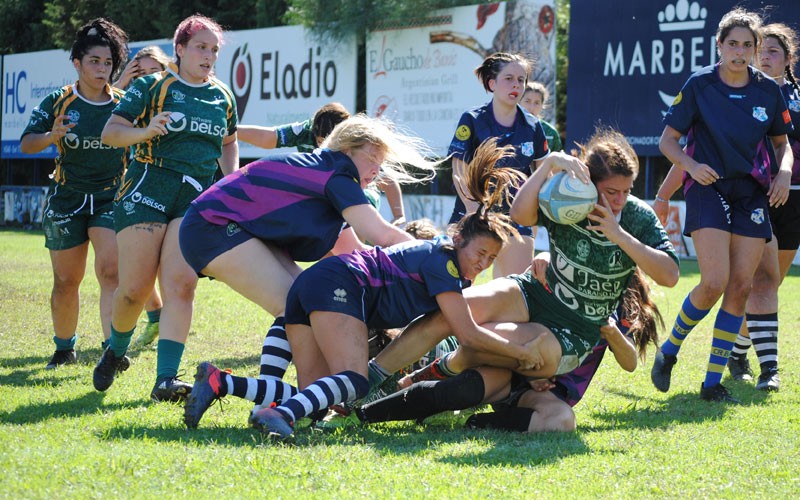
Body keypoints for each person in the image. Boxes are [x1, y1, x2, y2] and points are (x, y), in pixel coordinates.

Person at [183, 139, 543, 436]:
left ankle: (222, 383)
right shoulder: (445, 264)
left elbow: (429, 327)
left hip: (316, 281)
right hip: (338, 284)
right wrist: (524, 357)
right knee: (353, 381)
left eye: (491, 257)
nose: (483, 264)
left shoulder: (447, 263)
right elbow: (467, 333)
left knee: (320, 396)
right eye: (480, 253)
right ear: (459, 238)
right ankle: (279, 415)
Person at [361, 128, 679, 408]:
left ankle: (429, 375)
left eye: (627, 191)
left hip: (573, 329)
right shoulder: (569, 197)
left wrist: (618, 234)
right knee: (451, 314)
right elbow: (521, 215)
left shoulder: (637, 216)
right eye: (611, 192)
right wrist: (549, 164)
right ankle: (364, 386)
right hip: (533, 292)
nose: (620, 199)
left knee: (494, 344)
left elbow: (670, 275)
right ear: (587, 182)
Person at [178, 114, 443, 427]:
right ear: (347, 150)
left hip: (216, 224)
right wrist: (438, 254)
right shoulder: (337, 173)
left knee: (302, 300)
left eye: (380, 161)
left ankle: (257, 398)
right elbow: (383, 234)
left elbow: (357, 253)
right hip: (212, 226)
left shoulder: (327, 178)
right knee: (294, 303)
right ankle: (257, 400)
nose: (376, 169)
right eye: (371, 157)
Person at [94, 14, 239, 402]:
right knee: (135, 290)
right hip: (147, 189)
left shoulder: (222, 96)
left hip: (194, 199)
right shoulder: (152, 87)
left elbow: (228, 142)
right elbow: (110, 134)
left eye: (214, 50)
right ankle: (116, 350)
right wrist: (145, 131)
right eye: (200, 48)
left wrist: (231, 184)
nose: (208, 56)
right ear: (180, 49)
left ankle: (165, 381)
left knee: (181, 284)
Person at [650, 9, 793, 403]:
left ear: (756, 48)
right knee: (714, 281)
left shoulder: (768, 90)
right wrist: (692, 167)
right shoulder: (700, 84)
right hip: (707, 187)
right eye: (733, 43)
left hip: (751, 193)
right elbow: (667, 142)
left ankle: (712, 383)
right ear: (719, 45)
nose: (741, 51)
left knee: (741, 286)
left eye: (748, 45)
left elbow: (783, 147)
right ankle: (669, 351)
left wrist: (783, 174)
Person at [359, 266, 662, 431]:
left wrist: (608, 329)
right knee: (460, 390)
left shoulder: (620, 307)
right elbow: (540, 268)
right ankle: (365, 413)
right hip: (512, 364)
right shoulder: (573, 275)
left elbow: (630, 363)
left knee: (562, 422)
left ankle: (481, 423)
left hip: (547, 392)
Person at [19, 18, 129, 369]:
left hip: (110, 198)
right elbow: (26, 145)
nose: (102, 69)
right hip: (66, 198)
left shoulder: (123, 105)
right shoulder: (59, 101)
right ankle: (64, 349)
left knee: (111, 271)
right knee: (66, 281)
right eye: (94, 61)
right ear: (77, 63)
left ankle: (112, 351)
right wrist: (51, 136)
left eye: (108, 63)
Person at [448, 52, 550, 278]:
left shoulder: (533, 126)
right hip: (471, 213)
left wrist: (535, 217)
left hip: (515, 219)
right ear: (492, 83)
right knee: (454, 287)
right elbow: (459, 170)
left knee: (514, 289)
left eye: (521, 80)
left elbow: (545, 174)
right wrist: (473, 212)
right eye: (509, 79)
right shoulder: (472, 119)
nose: (516, 85)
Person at [238, 102, 406, 226]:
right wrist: (231, 131)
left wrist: (398, 215)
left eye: (331, 142)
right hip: (327, 191)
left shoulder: (357, 140)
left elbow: (387, 180)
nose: (324, 148)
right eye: (320, 142)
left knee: (351, 211)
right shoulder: (306, 130)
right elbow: (269, 137)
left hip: (362, 193)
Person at [114, 45, 172, 349]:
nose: (148, 79)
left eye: (154, 72)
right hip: (131, 185)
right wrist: (122, 83)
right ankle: (154, 315)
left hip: (169, 190)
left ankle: (161, 318)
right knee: (134, 266)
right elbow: (102, 129)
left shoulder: (177, 98)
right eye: (142, 73)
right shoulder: (130, 101)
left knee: (162, 265)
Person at [520, 81, 563, 152]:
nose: (531, 107)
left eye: (536, 103)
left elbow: (557, 160)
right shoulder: (509, 128)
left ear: (542, 105)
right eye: (527, 101)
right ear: (519, 101)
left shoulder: (551, 133)